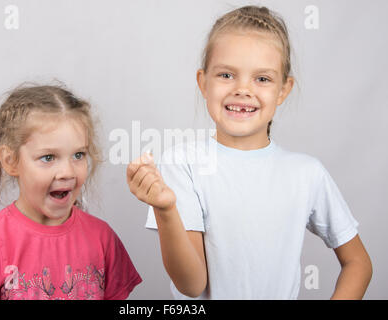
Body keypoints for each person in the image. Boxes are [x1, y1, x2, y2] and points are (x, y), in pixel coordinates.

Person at [127, 6, 372, 299]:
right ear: (203, 83)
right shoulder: (182, 165)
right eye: (227, 74)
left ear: (283, 90)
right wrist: (166, 210)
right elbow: (191, 286)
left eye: (262, 79)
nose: (243, 89)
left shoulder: (306, 173)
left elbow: (358, 263)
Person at [0, 83, 142, 300]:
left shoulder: (102, 238)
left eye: (78, 155)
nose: (67, 172)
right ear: (11, 160)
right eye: (48, 157)